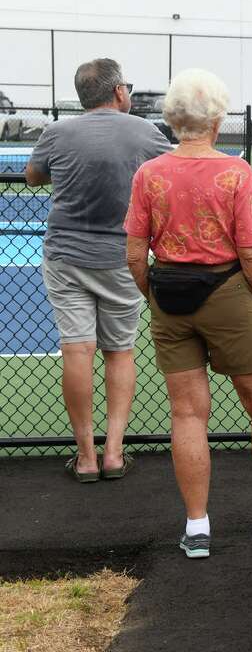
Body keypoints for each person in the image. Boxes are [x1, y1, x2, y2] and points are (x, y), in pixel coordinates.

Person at [124, 68, 252, 559]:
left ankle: (197, 528)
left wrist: (153, 293)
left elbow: (134, 253)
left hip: (169, 296)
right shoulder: (235, 173)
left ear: (173, 120)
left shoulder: (149, 174)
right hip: (227, 293)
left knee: (187, 413)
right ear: (217, 119)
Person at [25, 58, 171, 483]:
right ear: (119, 92)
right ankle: (113, 453)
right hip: (120, 258)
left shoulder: (57, 132)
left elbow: (35, 177)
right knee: (119, 351)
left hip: (66, 257)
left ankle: (85, 458)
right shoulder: (144, 132)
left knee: (76, 350)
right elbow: (167, 172)